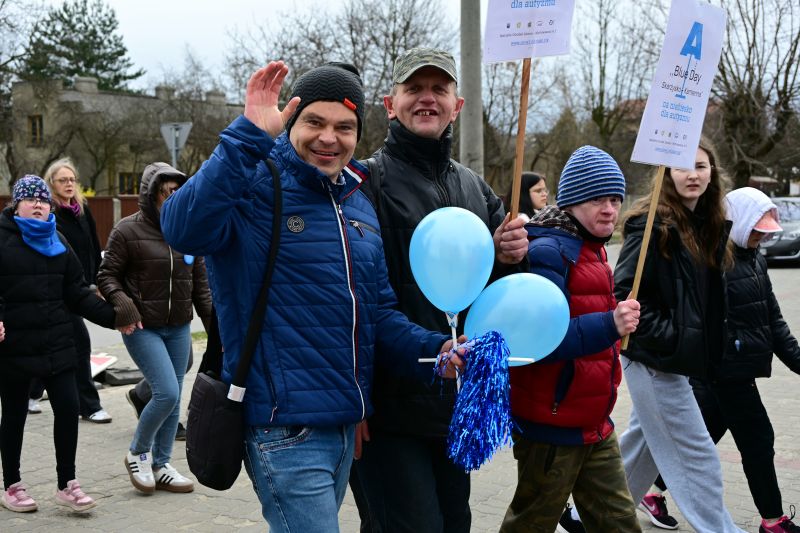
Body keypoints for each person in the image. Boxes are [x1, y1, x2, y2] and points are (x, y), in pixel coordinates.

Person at [160, 61, 463, 532]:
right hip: (284, 428)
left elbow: (378, 313)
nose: (329, 138)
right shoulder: (254, 184)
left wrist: (435, 348)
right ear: (291, 123)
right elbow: (181, 228)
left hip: (346, 425)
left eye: (344, 127)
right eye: (314, 123)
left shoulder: (356, 202)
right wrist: (246, 137)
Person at [349, 47, 529, 533]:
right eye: (414, 89)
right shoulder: (364, 183)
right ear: (390, 104)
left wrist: (512, 255)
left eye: (439, 89)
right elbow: (357, 304)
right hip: (388, 411)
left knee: (455, 524)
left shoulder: (476, 188)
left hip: (454, 409)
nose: (427, 99)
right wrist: (356, 401)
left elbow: (498, 296)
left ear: (458, 105)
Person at [635, 188, 800, 533]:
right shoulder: (711, 262)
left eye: (766, 234)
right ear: (738, 221)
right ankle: (773, 520)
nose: (760, 239)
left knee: (703, 436)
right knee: (759, 439)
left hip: (734, 373)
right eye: (756, 230)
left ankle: (653, 493)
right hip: (725, 372)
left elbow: (773, 320)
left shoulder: (756, 259)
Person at [497, 146, 642, 533]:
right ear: (573, 201)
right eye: (597, 198)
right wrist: (610, 324)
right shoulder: (548, 252)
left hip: (595, 421)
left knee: (621, 523)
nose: (609, 209)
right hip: (552, 424)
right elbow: (539, 341)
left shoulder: (594, 251)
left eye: (615, 199)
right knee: (530, 523)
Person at [613, 141, 747, 533]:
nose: (693, 174)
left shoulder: (707, 224)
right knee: (697, 453)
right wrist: (671, 339)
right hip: (653, 358)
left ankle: (591, 516)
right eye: (684, 167)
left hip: (679, 359)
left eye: (701, 166)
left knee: (643, 447)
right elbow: (623, 294)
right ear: (667, 174)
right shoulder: (651, 222)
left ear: (712, 173)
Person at [0, 176, 138, 513]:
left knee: (67, 408)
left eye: (42, 201)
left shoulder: (58, 240)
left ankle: (67, 484)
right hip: (14, 348)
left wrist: (115, 317)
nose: (37, 205)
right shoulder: (2, 240)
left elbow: (77, 294)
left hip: (58, 344)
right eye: (30, 200)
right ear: (17, 204)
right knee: (14, 415)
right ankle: (12, 486)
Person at [97, 162, 213, 495]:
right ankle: (137, 452)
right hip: (142, 326)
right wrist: (123, 303)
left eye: (178, 192)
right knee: (167, 393)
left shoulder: (190, 231)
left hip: (178, 326)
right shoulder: (127, 230)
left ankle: (162, 463)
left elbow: (201, 287)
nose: (172, 198)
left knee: (175, 398)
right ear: (152, 195)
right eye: (166, 193)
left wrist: (215, 332)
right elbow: (106, 275)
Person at [43, 158, 112, 424]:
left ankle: (33, 391)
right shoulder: (50, 214)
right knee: (79, 343)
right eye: (63, 180)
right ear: (52, 184)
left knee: (58, 342)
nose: (69, 184)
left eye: (72, 179)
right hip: (59, 289)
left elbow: (94, 247)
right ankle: (90, 405)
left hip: (82, 288)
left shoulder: (82, 209)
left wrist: (98, 282)